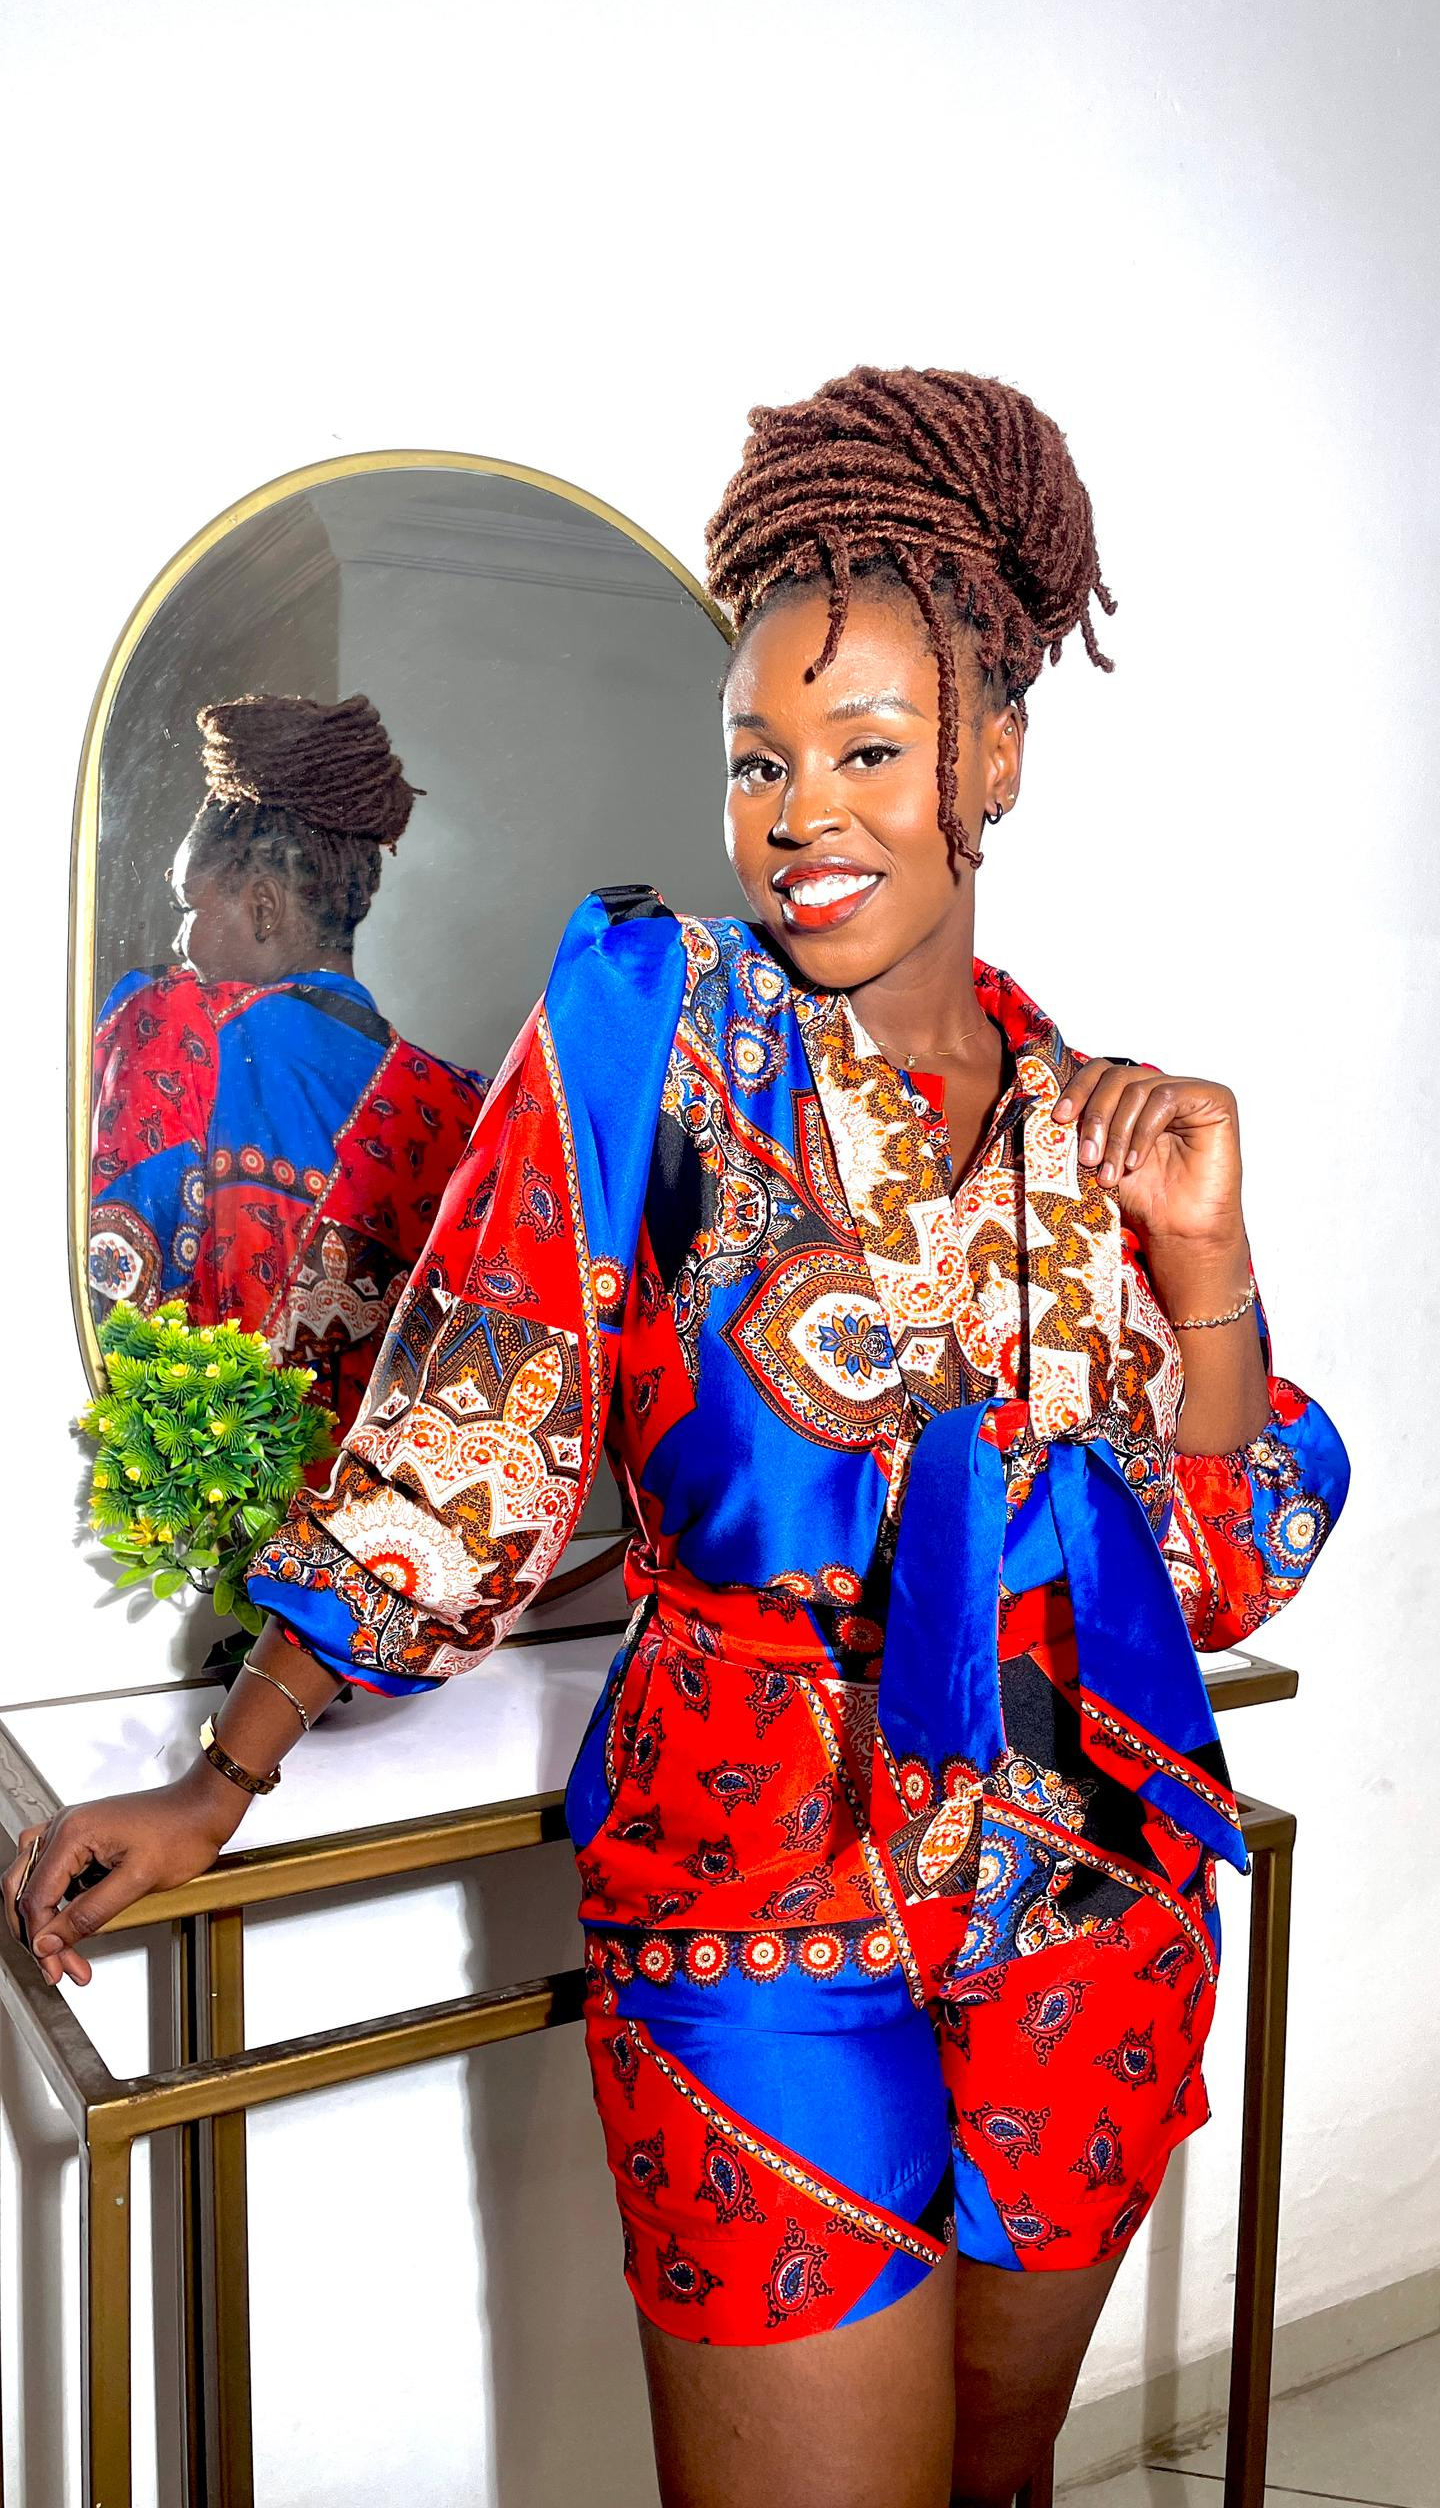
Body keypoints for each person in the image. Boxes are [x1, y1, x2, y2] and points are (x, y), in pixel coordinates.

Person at [14, 371, 1348, 2508]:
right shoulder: (652, 1033)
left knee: (1003, 2483)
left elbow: (1219, 1566)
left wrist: (1209, 1264)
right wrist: (223, 1772)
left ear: (996, 756)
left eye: (870, 750)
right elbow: (472, 1421)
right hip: (755, 1913)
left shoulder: (1091, 1122)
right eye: (759, 760)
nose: (803, 812)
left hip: (1093, 1918)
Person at [88, 692, 487, 1438]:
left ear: (264, 907)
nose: (179, 943)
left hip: (200, 1502)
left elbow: (102, 1315)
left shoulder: (181, 1032)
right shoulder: (471, 1106)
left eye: (187, 907)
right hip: (385, 1513)